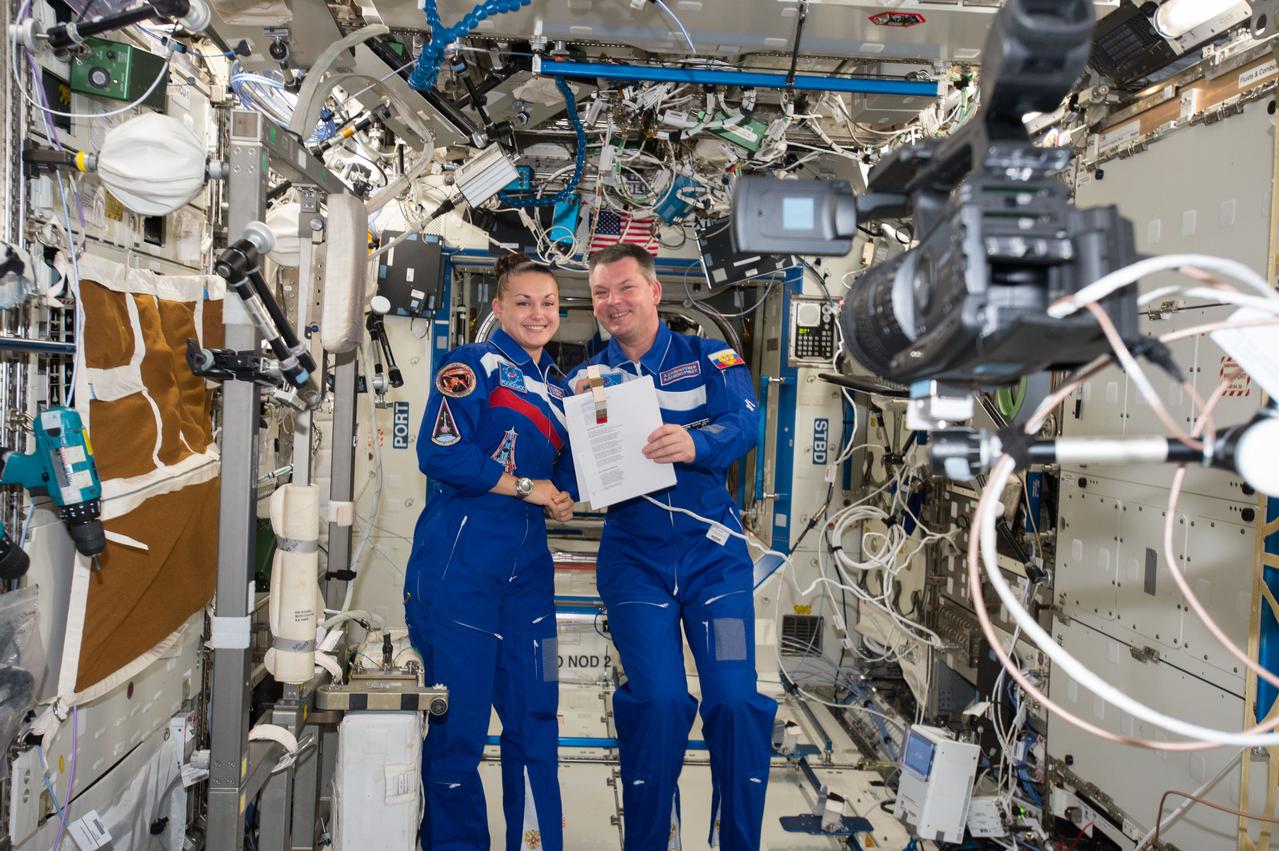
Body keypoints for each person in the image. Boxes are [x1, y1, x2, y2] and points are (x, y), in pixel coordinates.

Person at [568, 244, 778, 850]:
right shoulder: (586, 381)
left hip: (716, 564)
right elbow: (571, 465)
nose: (613, 302)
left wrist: (695, 443)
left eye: (626, 288)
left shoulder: (708, 355)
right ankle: (650, 839)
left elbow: (745, 422)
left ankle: (736, 839)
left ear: (654, 291)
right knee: (658, 702)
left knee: (736, 699)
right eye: (602, 292)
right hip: (635, 565)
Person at [404, 253, 576, 851]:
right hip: (460, 569)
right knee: (461, 734)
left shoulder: (561, 388)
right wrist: (529, 488)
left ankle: (534, 844)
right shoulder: (471, 366)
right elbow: (441, 454)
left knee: (537, 723)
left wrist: (568, 495)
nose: (538, 313)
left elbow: (566, 471)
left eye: (549, 303)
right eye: (524, 302)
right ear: (498, 308)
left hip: (529, 573)